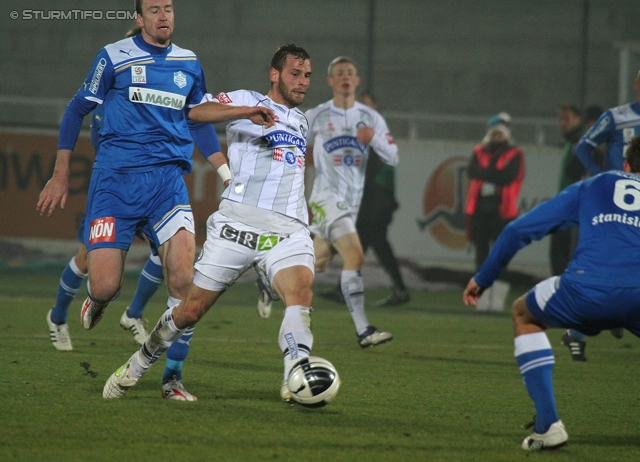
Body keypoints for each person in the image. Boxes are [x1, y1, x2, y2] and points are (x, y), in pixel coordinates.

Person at [102, 44, 317, 404]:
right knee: (189, 311)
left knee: (301, 295)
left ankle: (297, 376)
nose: (302, 82)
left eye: (307, 76)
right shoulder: (245, 100)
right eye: (295, 73)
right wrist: (243, 119)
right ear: (274, 74)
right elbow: (193, 112)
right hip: (236, 225)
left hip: (288, 230)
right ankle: (138, 364)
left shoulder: (302, 120)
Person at [37, 0, 227, 401]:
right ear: (139, 19)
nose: (164, 16)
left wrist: (225, 172)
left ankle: (171, 379)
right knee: (105, 284)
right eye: (154, 9)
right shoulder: (112, 57)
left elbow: (196, 118)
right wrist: (59, 174)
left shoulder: (189, 62)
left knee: (182, 278)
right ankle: (97, 300)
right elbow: (76, 111)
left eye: (169, 8)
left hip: (166, 184)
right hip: (115, 185)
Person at [462, 134, 640, 451]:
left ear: (626, 165)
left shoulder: (596, 185)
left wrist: (484, 276)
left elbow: (518, 230)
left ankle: (548, 426)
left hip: (584, 290)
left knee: (523, 313)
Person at [46, 25, 157, 352]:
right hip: (114, 190)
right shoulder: (106, 105)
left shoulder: (153, 94)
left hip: (151, 189)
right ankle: (57, 316)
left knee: (169, 253)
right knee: (84, 259)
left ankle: (133, 314)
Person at [283, 56, 398, 348]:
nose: (345, 77)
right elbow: (289, 139)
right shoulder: (318, 115)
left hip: (352, 204)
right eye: (339, 73)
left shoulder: (370, 117)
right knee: (355, 256)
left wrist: (375, 140)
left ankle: (268, 273)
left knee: (317, 262)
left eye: (350, 73)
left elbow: (393, 156)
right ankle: (364, 331)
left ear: (356, 81)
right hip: (325, 198)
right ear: (330, 81)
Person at [319, 92, 409, 307]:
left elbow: (379, 167)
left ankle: (397, 290)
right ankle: (395, 290)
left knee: (369, 244)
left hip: (376, 200)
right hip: (370, 200)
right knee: (365, 245)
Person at [464, 112, 525, 312]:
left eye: (501, 133)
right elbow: (471, 171)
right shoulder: (479, 150)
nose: (497, 137)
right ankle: (481, 299)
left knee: (500, 258)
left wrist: (487, 174)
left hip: (503, 212)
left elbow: (509, 176)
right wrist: (495, 175)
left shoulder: (515, 154)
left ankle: (496, 301)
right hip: (480, 211)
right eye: (495, 133)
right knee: (481, 256)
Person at [575, 71, 640, 176]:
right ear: (637, 85)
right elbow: (582, 147)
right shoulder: (615, 117)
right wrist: (600, 176)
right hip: (618, 189)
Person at [549, 104, 585, 278]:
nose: (562, 123)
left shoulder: (580, 142)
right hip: (566, 203)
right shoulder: (571, 142)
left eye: (567, 119)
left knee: (562, 253)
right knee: (558, 253)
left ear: (578, 120)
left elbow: (575, 173)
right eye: (561, 119)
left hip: (572, 206)